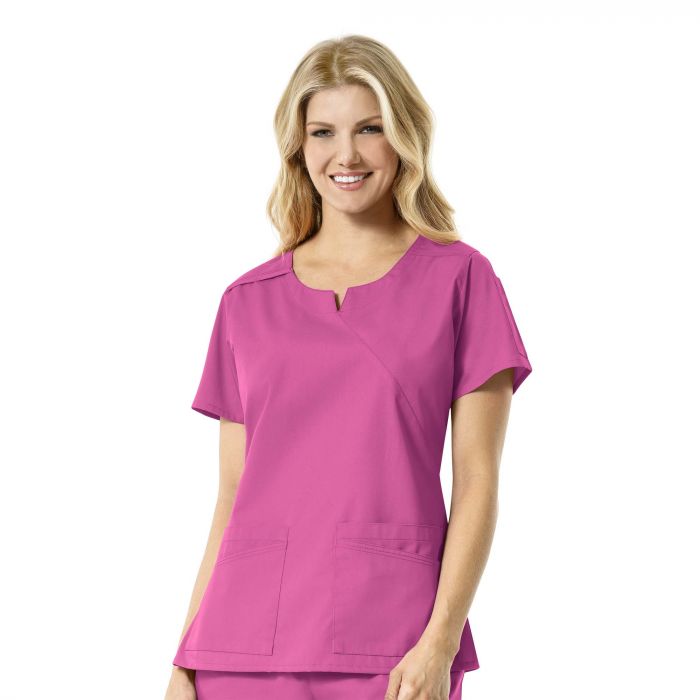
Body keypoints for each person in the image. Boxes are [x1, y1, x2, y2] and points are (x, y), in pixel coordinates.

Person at [164, 34, 533, 700]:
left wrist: (440, 642)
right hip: (240, 648)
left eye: (370, 128)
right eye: (323, 132)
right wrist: (184, 660)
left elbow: (477, 478)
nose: (347, 155)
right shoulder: (246, 301)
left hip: (395, 644)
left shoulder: (461, 280)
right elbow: (232, 495)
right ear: (298, 148)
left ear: (404, 136)